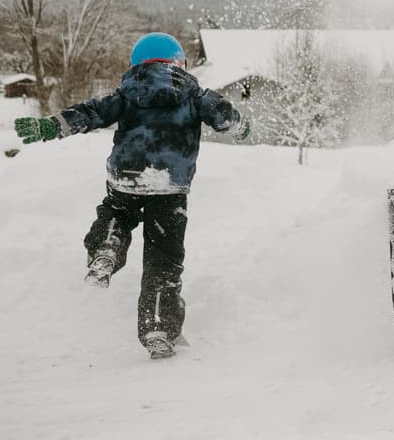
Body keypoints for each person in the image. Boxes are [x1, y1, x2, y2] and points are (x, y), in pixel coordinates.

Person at [14, 32, 249, 359]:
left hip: (127, 177)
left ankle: (107, 246)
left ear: (136, 64)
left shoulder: (126, 92)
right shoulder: (195, 94)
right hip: (170, 185)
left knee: (117, 212)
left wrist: (53, 125)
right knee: (164, 258)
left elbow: (91, 112)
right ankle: (158, 327)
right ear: (179, 62)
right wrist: (241, 126)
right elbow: (224, 117)